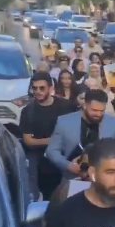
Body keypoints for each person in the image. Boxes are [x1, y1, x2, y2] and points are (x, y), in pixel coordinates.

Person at [46, 89, 115, 179]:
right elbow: (52, 151)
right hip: (73, 177)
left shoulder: (114, 123)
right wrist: (68, 165)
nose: (98, 114)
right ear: (85, 105)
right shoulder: (64, 122)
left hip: (104, 178)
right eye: (94, 110)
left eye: (102, 110)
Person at [20, 72, 74, 200]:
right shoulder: (28, 111)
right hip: (42, 163)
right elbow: (28, 141)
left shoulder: (66, 106)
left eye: (42, 88)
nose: (38, 91)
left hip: (65, 159)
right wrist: (53, 140)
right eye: (35, 88)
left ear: (51, 88)